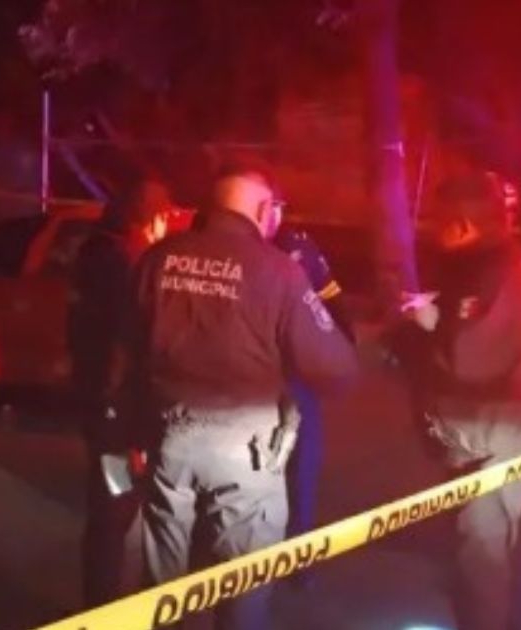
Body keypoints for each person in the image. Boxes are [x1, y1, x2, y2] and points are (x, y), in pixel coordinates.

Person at [122, 168, 358, 629]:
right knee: (243, 583)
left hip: (169, 440)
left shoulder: (158, 259)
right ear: (263, 210)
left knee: (164, 584)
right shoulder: (279, 271)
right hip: (246, 452)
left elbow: (126, 352)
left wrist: (132, 430)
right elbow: (336, 367)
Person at [403, 173, 521, 630]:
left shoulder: (496, 272)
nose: (432, 228)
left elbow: (467, 356)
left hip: (498, 440)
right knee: (510, 542)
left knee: (483, 552)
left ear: (464, 225)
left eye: (440, 220)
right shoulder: (506, 259)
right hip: (511, 428)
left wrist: (424, 324)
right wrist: (441, 306)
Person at [66, 175, 174, 607]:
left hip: (98, 408)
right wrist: (131, 430)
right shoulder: (129, 266)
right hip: (117, 420)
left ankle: (99, 602)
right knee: (115, 514)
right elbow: (124, 352)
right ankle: (103, 609)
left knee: (109, 514)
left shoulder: (94, 254)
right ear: (152, 220)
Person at [271, 224, 354, 555]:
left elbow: (330, 297)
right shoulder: (252, 246)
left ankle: (295, 552)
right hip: (263, 375)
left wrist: (342, 343)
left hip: (292, 374)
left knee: (300, 467)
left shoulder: (297, 244)